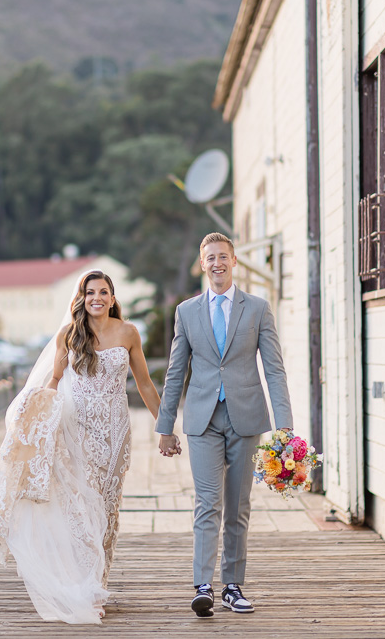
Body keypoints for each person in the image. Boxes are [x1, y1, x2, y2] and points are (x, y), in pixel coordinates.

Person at [0, 269, 170, 624]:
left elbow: (145, 384)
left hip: (116, 433)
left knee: (107, 510)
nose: (97, 298)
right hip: (77, 431)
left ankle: (99, 581)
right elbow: (55, 380)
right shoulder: (69, 334)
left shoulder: (128, 333)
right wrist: (32, 416)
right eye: (90, 292)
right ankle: (87, 588)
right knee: (82, 507)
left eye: (104, 292)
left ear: (112, 297)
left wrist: (165, 427)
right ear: (82, 297)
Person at [155, 232, 293, 617]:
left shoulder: (258, 309)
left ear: (234, 261)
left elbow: (275, 371)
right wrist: (166, 426)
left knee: (238, 505)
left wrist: (284, 428)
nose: (217, 263)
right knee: (207, 503)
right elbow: (175, 371)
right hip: (202, 420)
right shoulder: (186, 312)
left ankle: (232, 585)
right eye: (210, 257)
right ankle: (203, 586)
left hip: (246, 418)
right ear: (202, 264)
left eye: (223, 257)